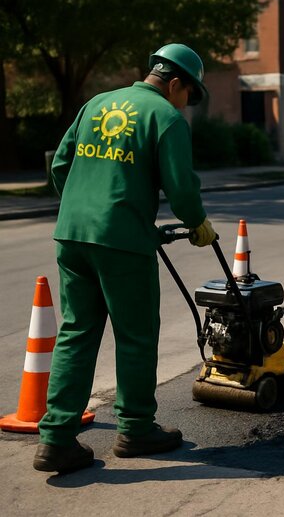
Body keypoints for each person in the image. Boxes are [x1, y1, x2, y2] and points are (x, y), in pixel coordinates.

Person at [33, 43, 217, 474]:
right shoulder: (166, 118)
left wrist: (85, 208)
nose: (186, 104)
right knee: (135, 334)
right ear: (175, 84)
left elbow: (61, 165)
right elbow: (181, 187)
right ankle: (135, 430)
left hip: (72, 235)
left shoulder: (97, 103)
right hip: (123, 243)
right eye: (189, 94)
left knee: (77, 330)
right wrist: (197, 223)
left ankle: (56, 438)